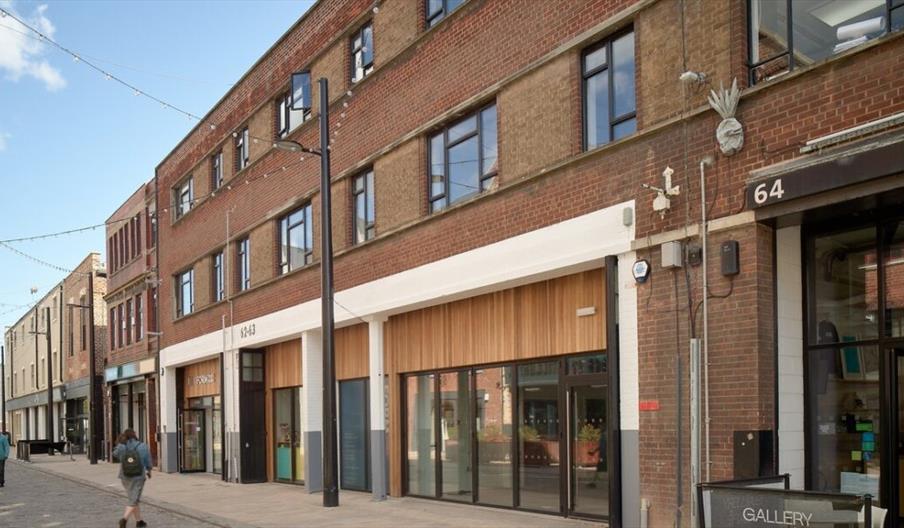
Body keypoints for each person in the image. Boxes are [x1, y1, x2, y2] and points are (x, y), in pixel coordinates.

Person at [112, 429, 152, 528]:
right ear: (134, 435)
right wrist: (149, 470)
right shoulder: (142, 446)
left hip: (125, 476)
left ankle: (139, 521)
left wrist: (120, 443)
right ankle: (124, 519)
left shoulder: (122, 446)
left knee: (133, 498)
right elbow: (148, 461)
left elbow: (114, 455)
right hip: (138, 476)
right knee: (134, 499)